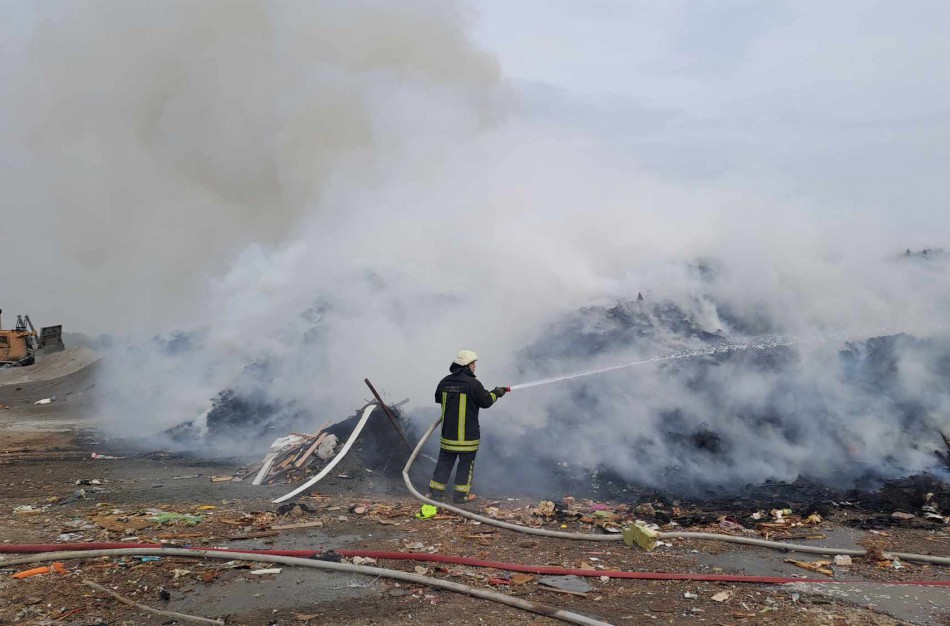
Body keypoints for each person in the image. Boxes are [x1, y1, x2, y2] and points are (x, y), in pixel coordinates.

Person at [428, 349, 507, 504]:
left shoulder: (444, 382)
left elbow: (439, 399)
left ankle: (436, 495)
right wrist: (497, 392)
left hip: (448, 436)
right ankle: (460, 497)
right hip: (467, 438)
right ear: (466, 365)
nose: (475, 366)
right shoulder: (473, 384)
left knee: (444, 464)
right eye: (473, 364)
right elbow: (486, 401)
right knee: (465, 466)